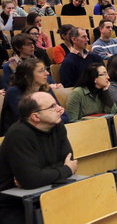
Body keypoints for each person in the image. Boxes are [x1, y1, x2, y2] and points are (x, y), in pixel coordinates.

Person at [0, 92, 77, 224]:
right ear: (35, 116)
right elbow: (31, 180)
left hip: (47, 190)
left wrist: (39, 175)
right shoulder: (18, 135)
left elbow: (69, 160)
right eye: (52, 106)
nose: (60, 109)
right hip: (14, 202)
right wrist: (65, 170)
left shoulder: (57, 125)